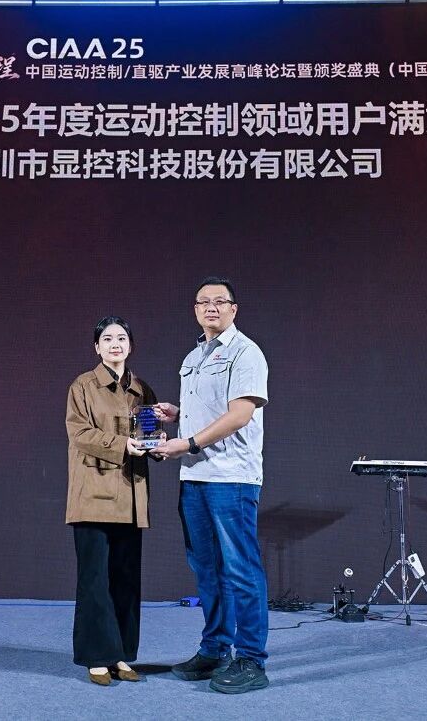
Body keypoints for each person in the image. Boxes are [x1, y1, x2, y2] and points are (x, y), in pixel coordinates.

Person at [151, 276, 270, 694]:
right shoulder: (193, 357)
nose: (211, 308)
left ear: (233, 309)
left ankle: (251, 658)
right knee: (206, 569)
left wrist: (187, 443)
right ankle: (216, 649)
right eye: (204, 302)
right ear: (196, 310)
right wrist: (178, 413)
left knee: (240, 568)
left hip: (230, 477)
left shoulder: (246, 352)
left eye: (220, 301)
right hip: (195, 477)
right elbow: (211, 408)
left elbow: (240, 414)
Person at [65, 316, 156, 686]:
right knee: (95, 581)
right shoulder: (83, 386)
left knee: (125, 579)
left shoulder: (142, 389)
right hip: (94, 495)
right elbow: (79, 433)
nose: (115, 344)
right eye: (107, 338)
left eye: (121, 338)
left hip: (131, 498)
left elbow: (149, 433)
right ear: (96, 347)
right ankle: (96, 656)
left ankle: (119, 654)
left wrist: (157, 445)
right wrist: (122, 444)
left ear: (130, 345)